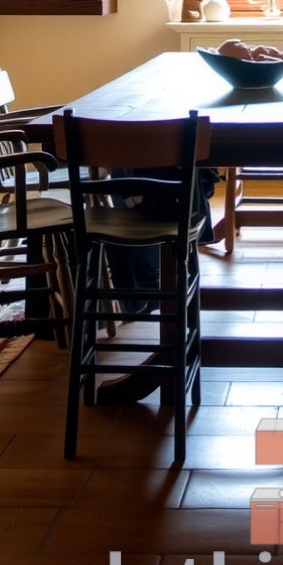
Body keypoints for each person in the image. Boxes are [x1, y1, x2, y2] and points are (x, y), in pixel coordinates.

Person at [97, 165, 218, 404]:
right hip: (174, 202)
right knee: (190, 168)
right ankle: (176, 197)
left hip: (118, 201)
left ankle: (149, 197)